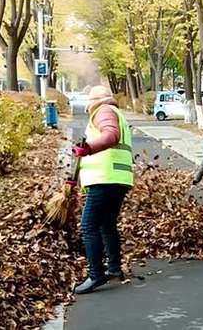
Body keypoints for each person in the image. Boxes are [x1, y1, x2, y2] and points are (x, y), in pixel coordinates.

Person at [72, 85, 134, 294]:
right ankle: (114, 269)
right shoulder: (116, 112)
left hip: (105, 179)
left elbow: (111, 135)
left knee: (88, 226)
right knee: (107, 224)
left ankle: (95, 275)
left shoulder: (104, 111)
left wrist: (88, 148)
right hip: (118, 178)